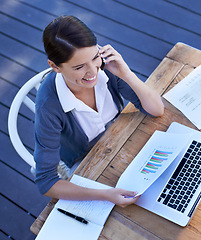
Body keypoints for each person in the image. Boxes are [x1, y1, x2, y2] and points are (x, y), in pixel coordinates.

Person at [34, 15, 164, 207]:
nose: (93, 71)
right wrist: (105, 195)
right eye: (79, 67)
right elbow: (46, 182)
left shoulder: (106, 68)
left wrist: (126, 73)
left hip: (123, 139)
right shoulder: (49, 106)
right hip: (87, 162)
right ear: (54, 66)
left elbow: (156, 110)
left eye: (95, 57)